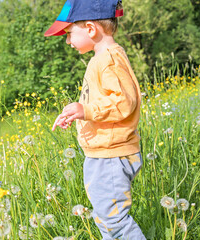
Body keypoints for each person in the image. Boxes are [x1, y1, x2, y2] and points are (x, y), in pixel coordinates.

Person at [46, 0, 146, 239]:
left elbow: (124, 102)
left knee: (115, 221)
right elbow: (102, 103)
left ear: (91, 28)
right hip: (103, 155)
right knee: (105, 218)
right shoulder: (101, 58)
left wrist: (87, 111)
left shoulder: (109, 60)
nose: (68, 40)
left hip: (111, 156)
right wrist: (78, 112)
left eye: (69, 33)